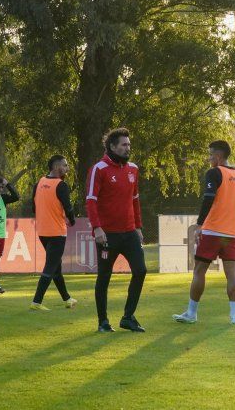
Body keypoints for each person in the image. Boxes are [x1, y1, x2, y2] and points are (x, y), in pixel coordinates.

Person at [174, 140, 235, 325]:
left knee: (199, 271)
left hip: (213, 231)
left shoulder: (214, 173)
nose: (209, 159)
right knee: (232, 274)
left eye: (210, 155)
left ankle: (191, 313)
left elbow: (208, 198)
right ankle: (234, 317)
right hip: (231, 233)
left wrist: (199, 225)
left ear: (218, 156)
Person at [87, 128, 148, 333]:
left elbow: (135, 200)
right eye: (124, 145)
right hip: (107, 235)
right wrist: (97, 228)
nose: (127, 148)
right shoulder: (99, 168)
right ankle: (103, 321)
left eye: (129, 145)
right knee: (104, 276)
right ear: (112, 147)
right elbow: (91, 201)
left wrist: (138, 226)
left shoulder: (133, 169)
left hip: (130, 232)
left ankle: (128, 317)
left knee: (140, 271)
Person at [30, 155, 78, 311]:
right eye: (65, 165)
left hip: (42, 232)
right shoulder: (61, 185)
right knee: (51, 267)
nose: (67, 168)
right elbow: (68, 207)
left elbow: (33, 206)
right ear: (57, 167)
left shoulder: (39, 183)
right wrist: (72, 220)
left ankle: (67, 298)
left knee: (56, 266)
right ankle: (36, 302)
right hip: (57, 232)